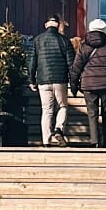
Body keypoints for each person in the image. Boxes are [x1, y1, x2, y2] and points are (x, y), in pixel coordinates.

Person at [70, 18, 106, 148]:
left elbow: (76, 68)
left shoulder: (83, 47)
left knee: (92, 113)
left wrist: (73, 86)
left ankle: (94, 140)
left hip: (88, 84)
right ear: (104, 31)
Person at [29, 15, 72, 147]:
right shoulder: (64, 40)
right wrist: (74, 81)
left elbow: (32, 62)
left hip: (43, 80)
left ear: (46, 25)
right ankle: (59, 128)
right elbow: (71, 63)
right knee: (62, 106)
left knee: (47, 110)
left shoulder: (37, 40)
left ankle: (46, 141)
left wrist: (31, 79)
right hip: (60, 79)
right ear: (58, 25)